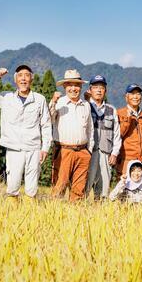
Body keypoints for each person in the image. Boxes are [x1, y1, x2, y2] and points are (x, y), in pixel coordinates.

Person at [0, 65, 52, 201]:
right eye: (20, 75)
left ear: (32, 78)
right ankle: (13, 214)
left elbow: (46, 125)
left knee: (32, 188)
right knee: (13, 186)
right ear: (15, 80)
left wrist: (45, 148)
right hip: (13, 148)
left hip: (33, 148)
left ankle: (31, 215)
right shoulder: (6, 97)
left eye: (26, 75)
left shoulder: (39, 99)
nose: (23, 79)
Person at [49, 69, 94, 202]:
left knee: (78, 190)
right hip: (64, 151)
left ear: (81, 86)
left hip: (82, 151)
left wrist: (89, 151)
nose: (73, 88)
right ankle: (54, 215)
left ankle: (74, 217)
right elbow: (50, 119)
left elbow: (90, 130)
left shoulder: (86, 105)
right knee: (59, 186)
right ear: (64, 86)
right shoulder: (59, 102)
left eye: (76, 85)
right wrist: (53, 102)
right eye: (70, 85)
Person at [84, 75, 121, 199]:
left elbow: (116, 134)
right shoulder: (85, 107)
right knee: (85, 184)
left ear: (105, 90)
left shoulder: (111, 110)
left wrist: (115, 153)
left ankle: (100, 212)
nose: (99, 90)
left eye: (102, 87)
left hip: (106, 153)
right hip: (89, 152)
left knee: (104, 188)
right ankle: (81, 209)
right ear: (90, 90)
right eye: (95, 87)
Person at [116, 84, 142, 176]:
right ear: (126, 97)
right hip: (126, 161)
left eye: (138, 94)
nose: (135, 97)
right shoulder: (119, 113)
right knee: (125, 189)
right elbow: (117, 136)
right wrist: (127, 120)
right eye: (132, 94)